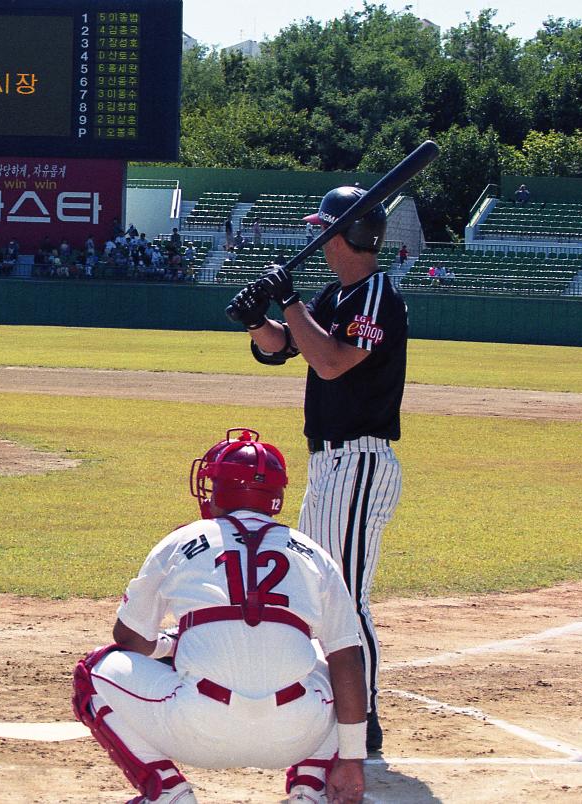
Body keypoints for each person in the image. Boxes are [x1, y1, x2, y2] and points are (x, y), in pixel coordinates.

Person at [73, 429, 368, 804]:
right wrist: (353, 759)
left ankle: (166, 791)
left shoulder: (183, 539)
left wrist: (170, 644)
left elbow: (128, 639)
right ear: (275, 497)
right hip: (293, 734)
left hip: (198, 729)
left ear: (218, 489)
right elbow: (347, 661)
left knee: (92, 673)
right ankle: (309, 789)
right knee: (327, 658)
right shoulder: (314, 553)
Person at [227, 185, 406, 755]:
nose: (315, 238)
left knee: (345, 596)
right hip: (331, 462)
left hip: (359, 458)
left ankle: (364, 719)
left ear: (343, 234)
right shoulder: (337, 294)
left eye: (322, 228)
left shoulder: (376, 294)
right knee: (322, 590)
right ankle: (336, 707)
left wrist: (289, 302)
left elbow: (330, 361)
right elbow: (286, 346)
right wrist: (257, 319)